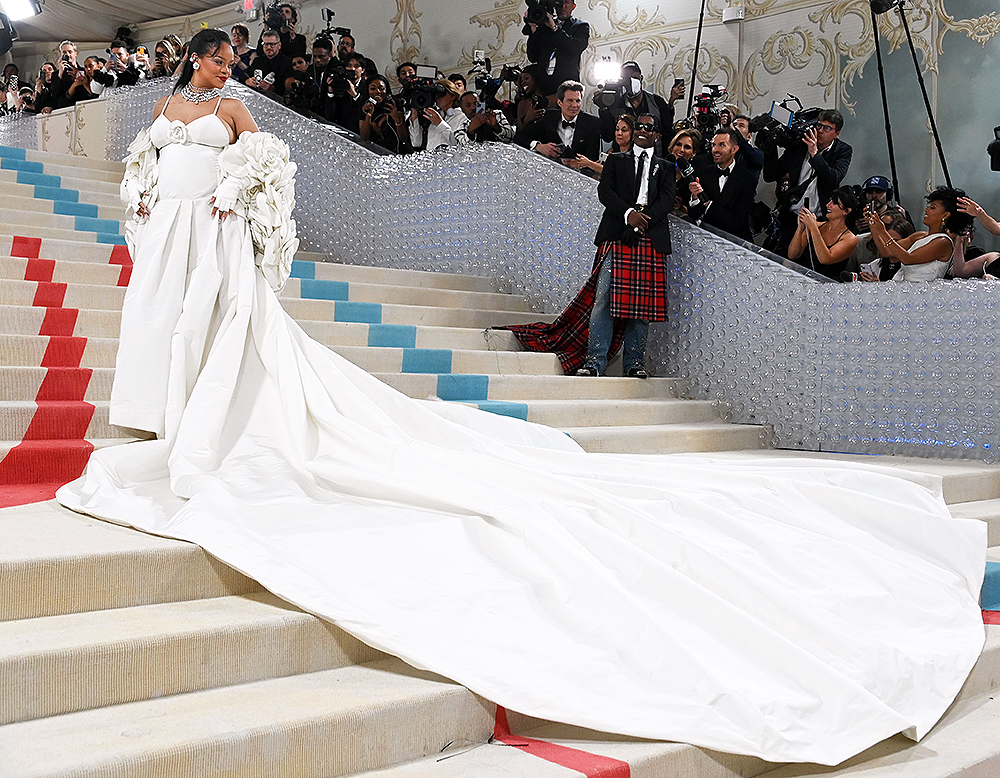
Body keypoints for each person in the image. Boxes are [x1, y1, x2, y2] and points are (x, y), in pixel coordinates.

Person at [53, 26, 987, 769]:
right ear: (198, 58)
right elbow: (148, 159)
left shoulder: (241, 112)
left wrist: (239, 200)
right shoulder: (173, 105)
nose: (221, 69)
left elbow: (270, 169)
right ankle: (171, 408)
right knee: (167, 328)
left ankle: (217, 415)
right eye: (216, 57)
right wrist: (148, 196)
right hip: (167, 230)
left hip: (214, 232)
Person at [576, 114, 674, 377]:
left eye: (648, 127)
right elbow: (605, 192)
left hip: (650, 236)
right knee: (604, 299)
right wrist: (628, 215)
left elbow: (667, 201)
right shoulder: (616, 161)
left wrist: (641, 223)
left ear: (657, 134)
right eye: (638, 126)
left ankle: (634, 364)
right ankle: (594, 362)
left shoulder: (665, 166)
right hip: (617, 233)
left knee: (642, 306)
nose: (642, 130)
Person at [761, 109, 853, 257]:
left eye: (827, 128)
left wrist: (814, 154)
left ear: (837, 133)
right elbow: (771, 174)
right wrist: (770, 146)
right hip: (792, 216)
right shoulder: (799, 145)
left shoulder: (842, 150)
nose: (821, 131)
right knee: (787, 261)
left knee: (810, 265)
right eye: (819, 126)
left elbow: (833, 179)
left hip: (820, 220)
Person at [866, 186, 972, 281]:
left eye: (932, 208)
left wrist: (882, 231)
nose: (926, 210)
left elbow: (908, 259)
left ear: (945, 215)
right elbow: (886, 252)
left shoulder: (943, 242)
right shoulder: (919, 235)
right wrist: (874, 226)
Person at [596, 61, 683, 157]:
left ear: (641, 78)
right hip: (624, 160)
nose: (631, 82)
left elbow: (667, 133)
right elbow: (607, 136)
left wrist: (666, 161)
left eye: (634, 78)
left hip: (654, 158)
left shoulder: (656, 102)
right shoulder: (617, 105)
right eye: (626, 79)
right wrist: (603, 108)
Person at [687, 128, 758, 242]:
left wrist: (709, 205)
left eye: (721, 145)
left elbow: (737, 221)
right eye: (713, 145)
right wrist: (695, 198)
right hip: (708, 239)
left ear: (734, 149)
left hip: (736, 242)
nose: (715, 150)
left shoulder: (747, 179)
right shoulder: (703, 173)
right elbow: (694, 214)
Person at [514, 80, 601, 171]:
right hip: (548, 173)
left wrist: (577, 164)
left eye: (578, 101)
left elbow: (592, 160)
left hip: (580, 175)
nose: (575, 105)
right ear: (560, 103)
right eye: (570, 101)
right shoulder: (549, 118)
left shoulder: (592, 123)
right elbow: (519, 137)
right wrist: (539, 146)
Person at [787, 186, 860, 280]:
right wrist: (800, 228)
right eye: (829, 201)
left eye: (834, 203)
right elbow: (792, 255)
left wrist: (813, 228)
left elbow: (825, 259)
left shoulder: (850, 239)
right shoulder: (817, 226)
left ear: (846, 211)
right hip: (802, 279)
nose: (827, 205)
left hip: (827, 285)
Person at [524, 0, 589, 96]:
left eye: (566, 2)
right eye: (560, 2)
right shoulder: (544, 28)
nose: (563, 6)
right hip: (543, 86)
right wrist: (533, 29)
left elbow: (575, 47)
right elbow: (533, 57)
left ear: (573, 6)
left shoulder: (580, 26)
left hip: (568, 86)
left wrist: (554, 28)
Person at [406, 78, 461, 151]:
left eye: (441, 94)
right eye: (435, 95)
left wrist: (440, 124)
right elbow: (416, 143)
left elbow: (459, 145)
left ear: (453, 96)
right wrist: (414, 116)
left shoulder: (461, 116)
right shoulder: (434, 116)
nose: (437, 98)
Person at [359, 75, 408, 153]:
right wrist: (368, 116)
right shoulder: (365, 105)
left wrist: (396, 118)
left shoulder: (394, 103)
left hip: (395, 151)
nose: (377, 92)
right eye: (372, 89)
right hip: (373, 151)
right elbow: (364, 137)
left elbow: (403, 138)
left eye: (381, 89)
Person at [245, 29, 294, 97]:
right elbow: (246, 74)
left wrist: (273, 88)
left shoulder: (287, 63)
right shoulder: (258, 61)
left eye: (272, 44)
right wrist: (248, 81)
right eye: (265, 44)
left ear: (279, 45)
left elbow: (288, 87)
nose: (268, 47)